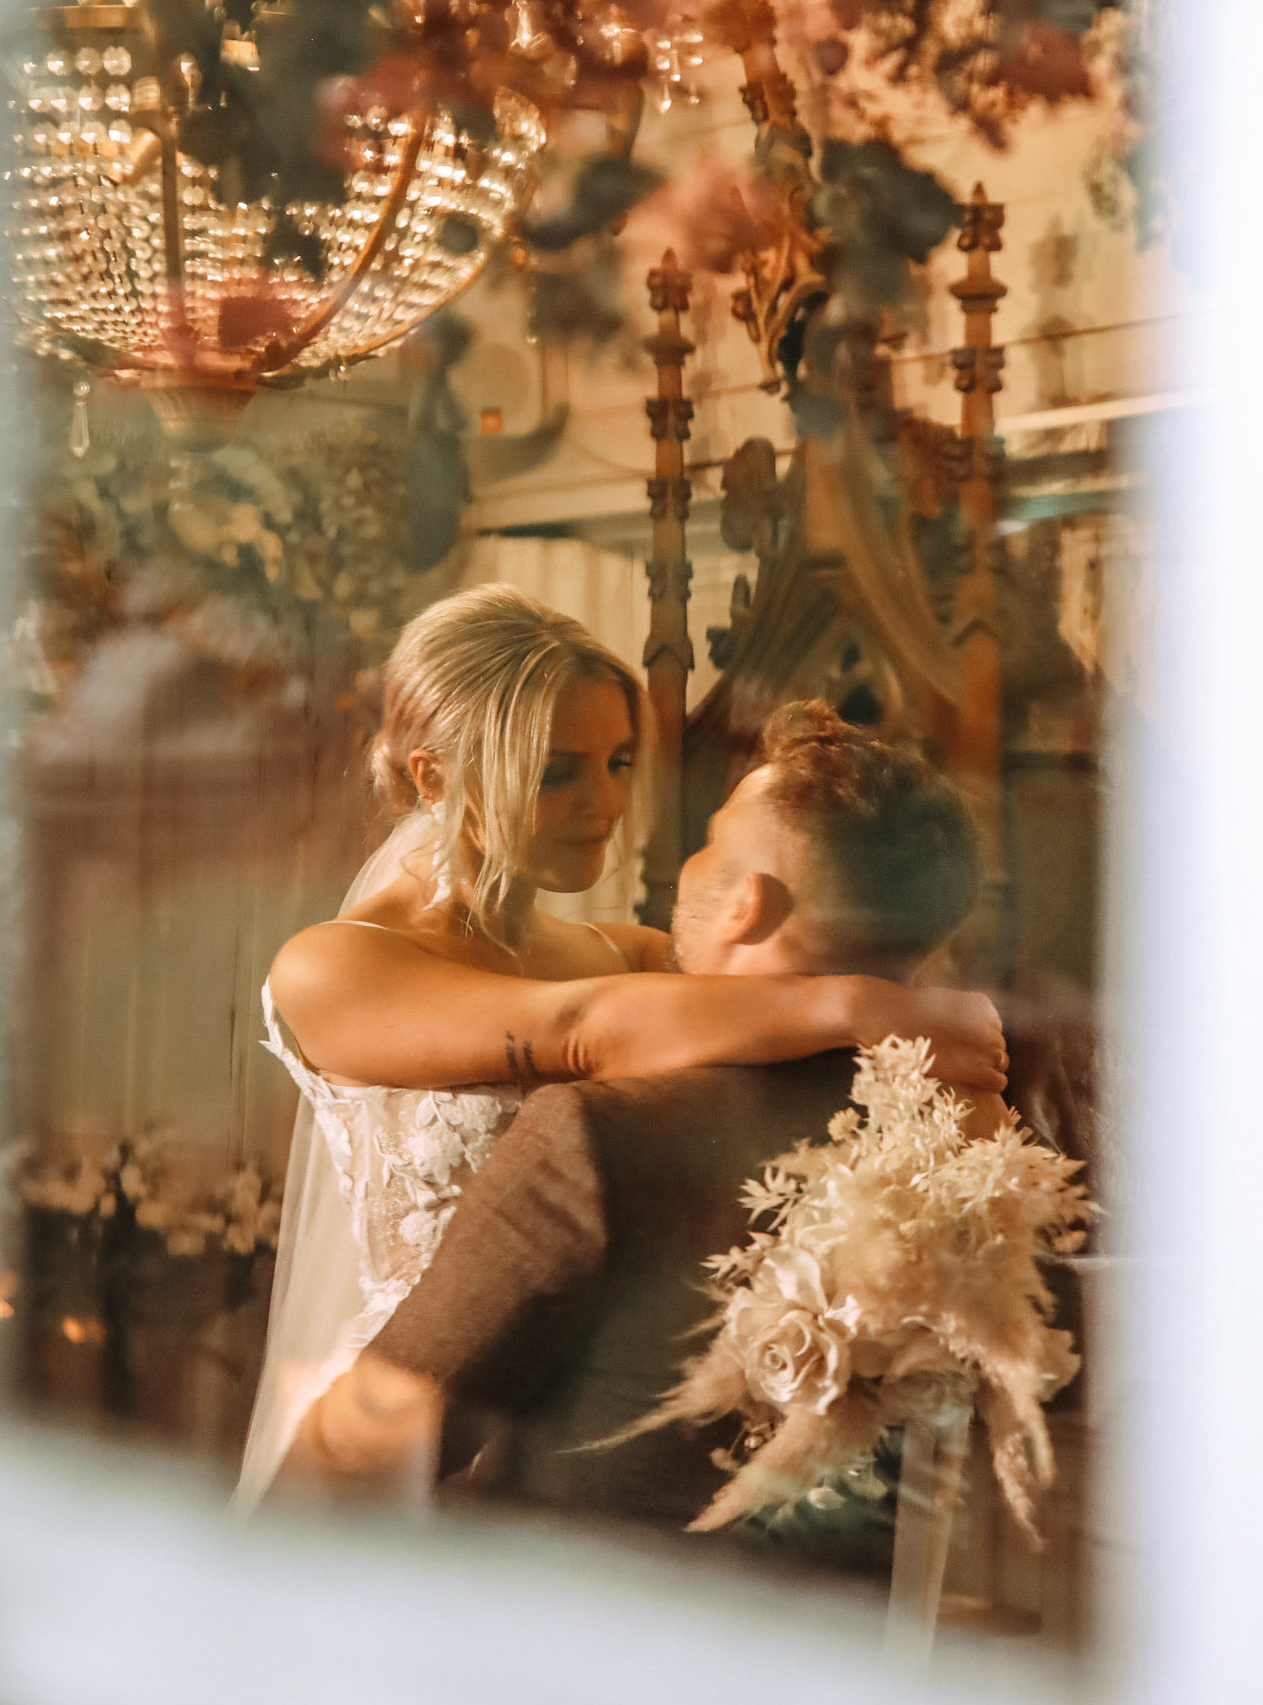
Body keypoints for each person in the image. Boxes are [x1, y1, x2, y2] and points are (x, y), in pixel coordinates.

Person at [237, 590, 1006, 1505]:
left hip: (593, 1425)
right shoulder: (332, 968)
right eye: (558, 773)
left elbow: (762, 988)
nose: (605, 802)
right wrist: (860, 1004)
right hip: (402, 1408)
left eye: (618, 761)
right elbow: (577, 1034)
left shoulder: (626, 958)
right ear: (435, 779)